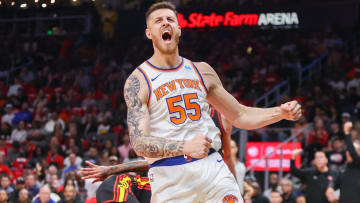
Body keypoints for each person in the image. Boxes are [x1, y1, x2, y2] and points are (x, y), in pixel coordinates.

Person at [123, 1, 302, 202]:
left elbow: (241, 115)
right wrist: (184, 147)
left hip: (212, 170)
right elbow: (139, 143)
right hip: (170, 178)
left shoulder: (202, 71)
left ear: (179, 30)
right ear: (149, 33)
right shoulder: (139, 81)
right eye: (158, 21)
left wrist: (280, 112)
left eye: (170, 19)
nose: (166, 23)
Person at [326, 121, 360, 203]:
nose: (348, 152)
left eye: (353, 150)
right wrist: (330, 189)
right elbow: (335, 183)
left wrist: (347, 133)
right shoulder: (342, 169)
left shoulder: (358, 165)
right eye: (347, 150)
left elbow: (353, 153)